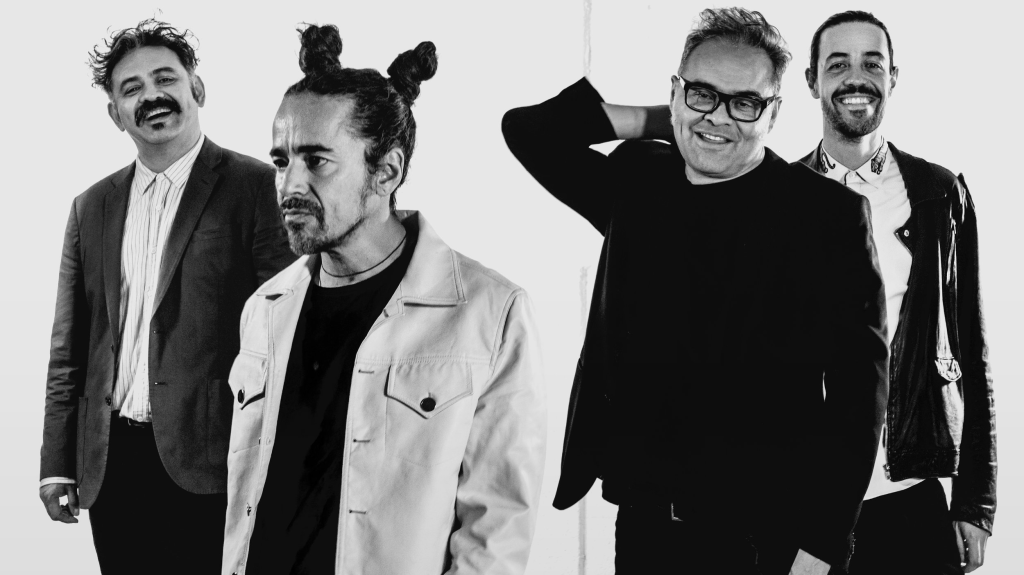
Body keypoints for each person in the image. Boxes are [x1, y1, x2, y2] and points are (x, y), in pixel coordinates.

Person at [503, 7, 888, 575]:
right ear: (674, 93)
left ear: (774, 112)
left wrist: (822, 546)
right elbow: (529, 132)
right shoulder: (639, 181)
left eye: (745, 102)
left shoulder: (826, 216)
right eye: (702, 93)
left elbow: (860, 398)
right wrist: (665, 120)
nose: (719, 117)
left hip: (767, 541)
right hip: (646, 524)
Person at [221, 25, 546, 575]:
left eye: (317, 161)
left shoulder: (491, 313)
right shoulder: (264, 309)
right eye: (281, 161)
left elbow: (496, 531)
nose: (290, 185)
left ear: (386, 171)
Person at [38, 19, 296, 575]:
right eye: (131, 88)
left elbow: (287, 334)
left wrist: (281, 463)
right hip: (110, 464)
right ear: (116, 114)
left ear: (196, 88)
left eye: (165, 78)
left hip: (213, 461)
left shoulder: (257, 188)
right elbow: (70, 347)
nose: (151, 95)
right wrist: (57, 462)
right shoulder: (90, 207)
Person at [800, 11, 996, 574]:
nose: (856, 78)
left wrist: (974, 501)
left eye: (872, 64)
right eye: (838, 64)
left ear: (892, 77)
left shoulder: (938, 193)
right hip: (805, 501)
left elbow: (970, 346)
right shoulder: (779, 196)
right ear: (812, 81)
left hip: (908, 495)